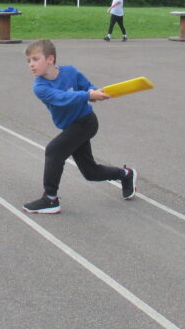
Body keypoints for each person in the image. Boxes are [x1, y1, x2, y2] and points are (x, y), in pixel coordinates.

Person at [22, 39, 137, 214]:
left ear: (50, 59)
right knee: (90, 172)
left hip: (86, 122)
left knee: (54, 150)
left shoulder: (70, 71)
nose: (31, 64)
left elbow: (87, 86)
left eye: (35, 59)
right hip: (71, 127)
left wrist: (95, 93)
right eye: (29, 61)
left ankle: (50, 199)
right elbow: (62, 98)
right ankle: (125, 174)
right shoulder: (40, 87)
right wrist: (88, 94)